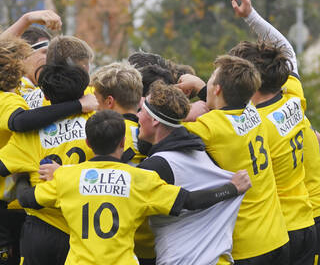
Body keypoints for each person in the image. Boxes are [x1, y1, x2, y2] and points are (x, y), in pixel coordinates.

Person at [15, 109, 251, 265]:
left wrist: (23, 175)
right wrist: (232, 188)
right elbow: (189, 201)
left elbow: (27, 199)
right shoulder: (140, 179)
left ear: (88, 143)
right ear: (122, 142)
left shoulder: (67, 177)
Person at [228, 0, 316, 265]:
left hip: (279, 228)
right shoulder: (291, 96)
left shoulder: (254, 124)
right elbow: (286, 51)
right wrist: (251, 16)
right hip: (308, 215)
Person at [177, 55, 289, 264]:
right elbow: (228, 105)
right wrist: (203, 90)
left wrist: (180, 108)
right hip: (277, 236)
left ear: (217, 89)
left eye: (211, 78)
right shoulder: (252, 110)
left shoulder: (209, 127)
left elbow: (161, 132)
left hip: (245, 246)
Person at [137, 80, 248, 264]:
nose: (138, 116)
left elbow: (189, 200)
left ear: (155, 120)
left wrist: (232, 188)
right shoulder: (200, 149)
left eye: (142, 111)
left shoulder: (157, 166)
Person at [0, 62, 96, 265]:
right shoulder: (97, 122)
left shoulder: (29, 135)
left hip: (44, 225)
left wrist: (23, 184)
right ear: (84, 90)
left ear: (45, 96)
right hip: (88, 225)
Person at [90, 61, 155, 264]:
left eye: (96, 101)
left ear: (109, 102)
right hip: (152, 241)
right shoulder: (154, 132)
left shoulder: (100, 135)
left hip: (112, 242)